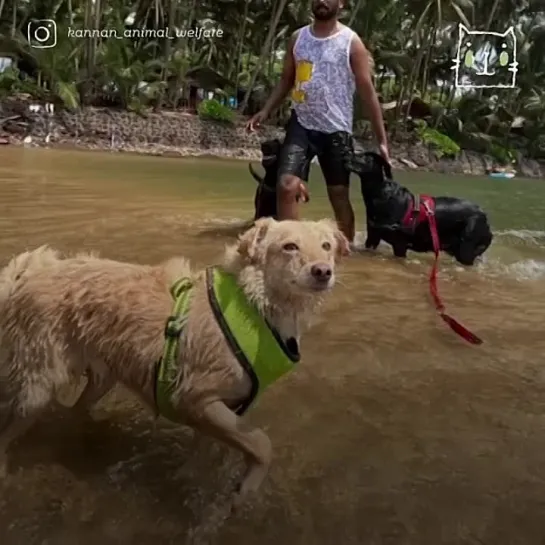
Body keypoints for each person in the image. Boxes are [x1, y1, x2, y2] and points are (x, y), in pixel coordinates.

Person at [246, 0, 390, 243]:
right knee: (287, 186)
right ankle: (292, 249)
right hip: (301, 123)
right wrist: (266, 110)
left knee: (339, 196)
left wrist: (382, 139)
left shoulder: (351, 43)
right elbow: (286, 80)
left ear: (341, 4)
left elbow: (367, 92)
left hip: (336, 130)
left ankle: (345, 253)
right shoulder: (298, 38)